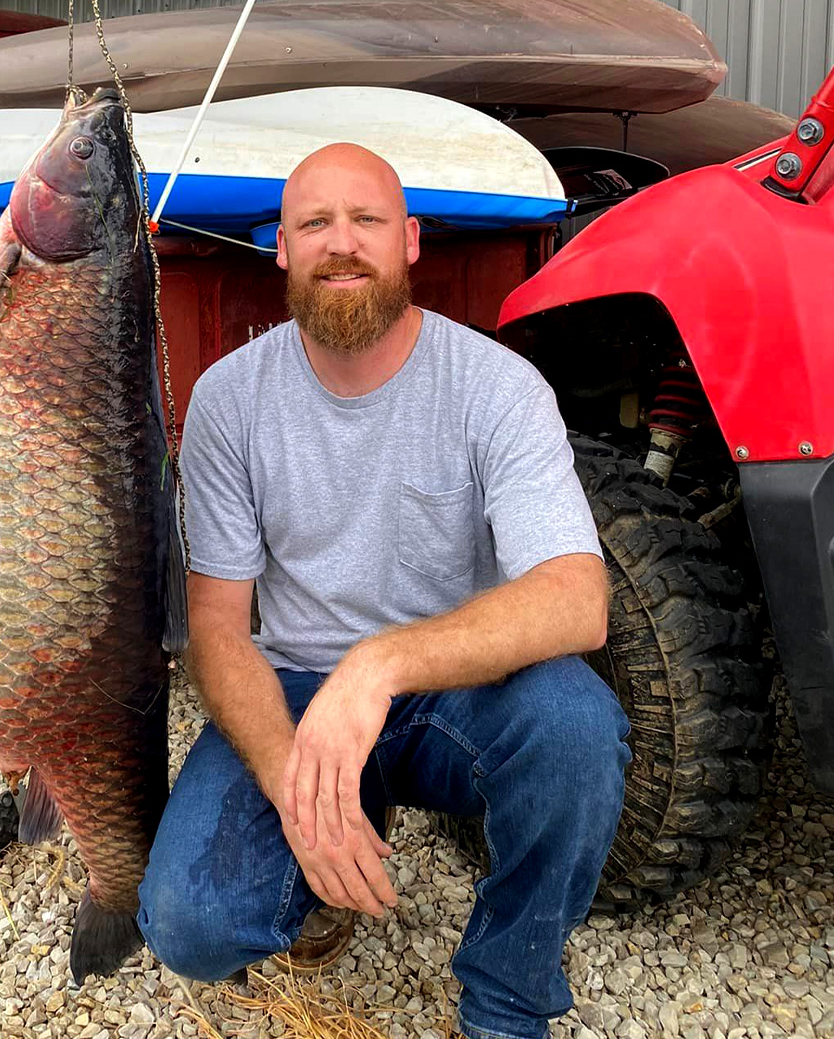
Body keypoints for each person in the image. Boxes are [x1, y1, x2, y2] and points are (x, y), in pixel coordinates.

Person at [136, 142, 631, 1039]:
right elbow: (215, 631)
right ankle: (335, 830)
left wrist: (379, 666)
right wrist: (299, 789)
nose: (342, 243)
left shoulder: (496, 387)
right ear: (280, 248)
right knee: (188, 926)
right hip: (292, 688)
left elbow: (577, 597)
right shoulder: (228, 402)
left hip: (451, 692)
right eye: (314, 223)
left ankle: (508, 999)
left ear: (409, 242)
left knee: (577, 727)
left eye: (365, 220)